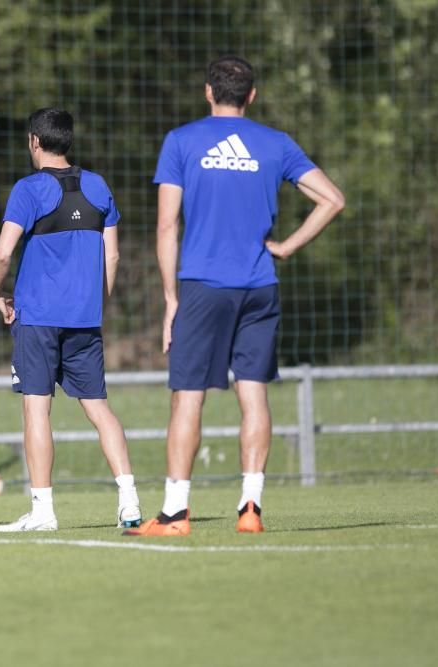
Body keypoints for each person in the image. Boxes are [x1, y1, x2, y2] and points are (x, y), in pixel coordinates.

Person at [126, 55, 344, 537]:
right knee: (254, 394)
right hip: (259, 285)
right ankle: (250, 507)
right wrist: (286, 246)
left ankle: (175, 513)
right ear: (251, 96)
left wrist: (170, 300)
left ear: (208, 92)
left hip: (203, 285)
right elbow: (333, 199)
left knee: (188, 398)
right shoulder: (276, 144)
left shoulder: (181, 141)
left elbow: (166, 226)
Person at [0, 107, 142, 532]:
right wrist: (96, 303)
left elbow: (3, 253)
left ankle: (43, 511)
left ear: (34, 141)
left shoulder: (28, 189)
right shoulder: (98, 186)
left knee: (37, 411)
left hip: (37, 316)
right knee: (99, 409)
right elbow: (111, 255)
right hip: (84, 317)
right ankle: (129, 502)